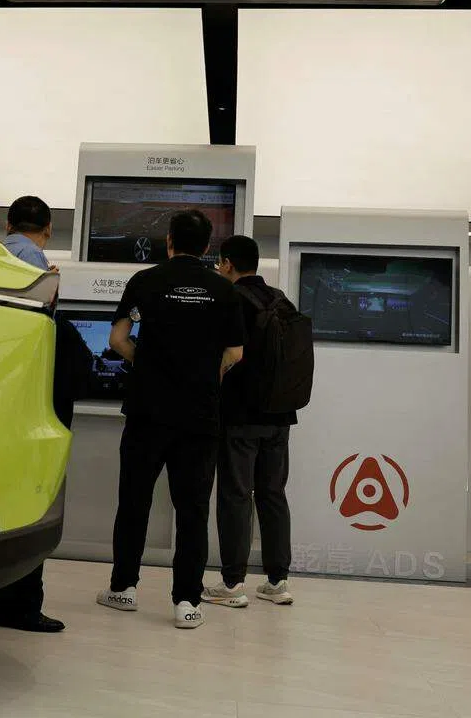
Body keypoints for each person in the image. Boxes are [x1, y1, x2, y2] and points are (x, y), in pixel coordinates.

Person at [96, 211, 244, 629]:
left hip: (147, 410)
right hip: (199, 415)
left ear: (168, 241)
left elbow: (117, 339)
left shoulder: (143, 281)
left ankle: (123, 589)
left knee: (134, 501)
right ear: (207, 246)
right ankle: (187, 602)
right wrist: (202, 377)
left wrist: (149, 367)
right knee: (193, 508)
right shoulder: (223, 289)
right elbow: (235, 353)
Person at [0, 195, 90, 633]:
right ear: (48, 228)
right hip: (29, 403)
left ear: (9, 223)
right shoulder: (38, 270)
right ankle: (19, 605)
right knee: (31, 498)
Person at [203, 235, 297, 607]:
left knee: (236, 496)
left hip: (240, 416)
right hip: (281, 416)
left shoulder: (232, 300)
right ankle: (278, 581)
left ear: (227, 264)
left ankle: (232, 584)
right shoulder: (280, 299)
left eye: (219, 264)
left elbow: (223, 355)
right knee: (273, 495)